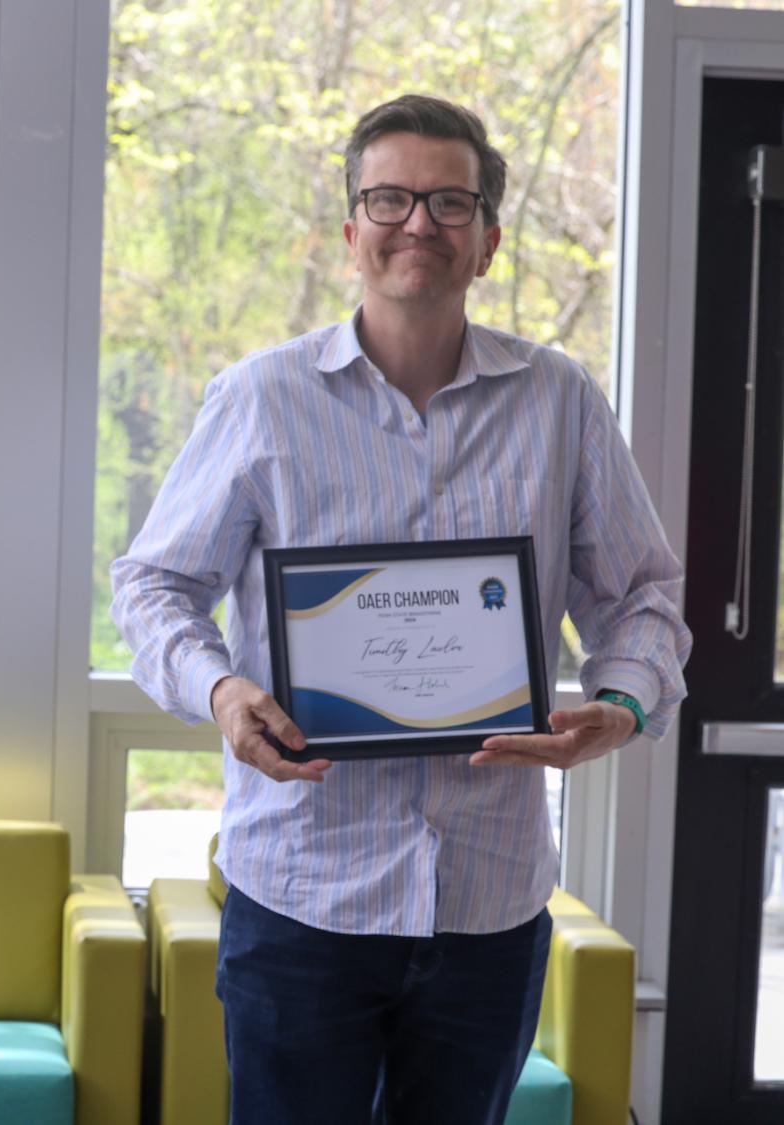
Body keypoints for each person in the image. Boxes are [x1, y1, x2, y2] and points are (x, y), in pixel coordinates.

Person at [110, 95, 691, 1124]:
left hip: (491, 902)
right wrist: (223, 689)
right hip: (302, 895)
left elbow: (643, 595)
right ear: (350, 230)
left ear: (490, 240)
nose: (418, 222)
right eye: (388, 197)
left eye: (450, 201)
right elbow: (154, 585)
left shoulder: (561, 401)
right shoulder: (260, 397)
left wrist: (623, 704)